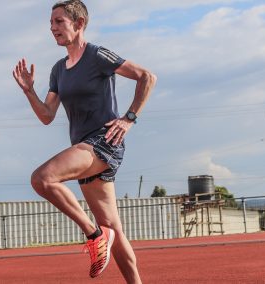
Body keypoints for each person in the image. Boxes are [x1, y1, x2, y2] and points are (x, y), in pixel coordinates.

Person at [12, 1, 156, 282]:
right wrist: (29, 91)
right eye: (51, 23)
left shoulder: (97, 55)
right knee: (113, 226)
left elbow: (146, 77)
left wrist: (128, 118)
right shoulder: (58, 70)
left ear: (79, 24)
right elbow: (46, 115)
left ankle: (94, 236)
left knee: (43, 179)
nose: (53, 28)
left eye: (59, 22)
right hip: (84, 148)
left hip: (104, 141)